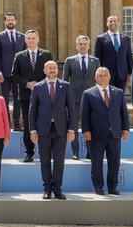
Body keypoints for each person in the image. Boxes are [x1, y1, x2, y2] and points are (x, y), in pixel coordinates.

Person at [28, 61, 77, 199]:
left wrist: (72, 129)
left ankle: (58, 189)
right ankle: (47, 189)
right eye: (49, 68)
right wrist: (32, 130)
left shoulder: (65, 86)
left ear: (57, 70)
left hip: (61, 129)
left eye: (54, 68)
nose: (52, 70)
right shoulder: (38, 87)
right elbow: (32, 111)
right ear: (44, 70)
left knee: (59, 162)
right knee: (44, 161)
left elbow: (72, 109)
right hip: (43, 130)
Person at [81, 67, 131, 195]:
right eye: (100, 75)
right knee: (96, 162)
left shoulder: (118, 92)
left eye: (105, 75)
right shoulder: (88, 93)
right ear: (95, 78)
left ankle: (112, 187)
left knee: (114, 162)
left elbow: (123, 113)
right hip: (96, 134)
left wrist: (125, 129)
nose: (102, 78)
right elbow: (84, 115)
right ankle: (98, 187)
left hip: (114, 133)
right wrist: (85, 130)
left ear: (109, 77)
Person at [10, 29, 53, 163]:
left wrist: (39, 84)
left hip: (44, 95)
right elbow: (14, 75)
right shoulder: (19, 56)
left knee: (44, 123)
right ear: (25, 40)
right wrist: (27, 83)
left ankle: (45, 152)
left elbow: (51, 72)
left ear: (38, 39)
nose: (31, 41)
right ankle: (29, 152)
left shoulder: (46, 55)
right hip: (26, 95)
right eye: (28, 38)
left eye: (33, 38)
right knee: (28, 125)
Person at [61, 36, 100, 159]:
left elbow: (99, 80)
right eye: (80, 44)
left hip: (92, 99)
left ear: (89, 46)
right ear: (76, 46)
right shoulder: (70, 60)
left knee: (90, 125)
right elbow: (65, 81)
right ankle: (75, 152)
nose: (82, 46)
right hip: (74, 98)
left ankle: (90, 151)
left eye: (85, 44)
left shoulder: (95, 61)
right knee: (74, 126)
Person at [0, 12, 24, 129]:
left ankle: (16, 124)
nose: (10, 22)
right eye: (8, 20)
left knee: (18, 100)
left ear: (15, 22)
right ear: (5, 22)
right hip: (4, 74)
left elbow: (24, 55)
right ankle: (5, 124)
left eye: (12, 20)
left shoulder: (23, 37)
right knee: (3, 100)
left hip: (18, 74)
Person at [94, 15, 133, 90]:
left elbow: (129, 57)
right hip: (106, 74)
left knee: (120, 96)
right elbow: (97, 57)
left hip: (122, 73)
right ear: (107, 24)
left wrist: (130, 74)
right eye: (110, 21)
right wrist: (98, 74)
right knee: (108, 96)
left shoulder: (126, 39)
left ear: (119, 23)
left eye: (115, 21)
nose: (113, 23)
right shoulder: (100, 38)